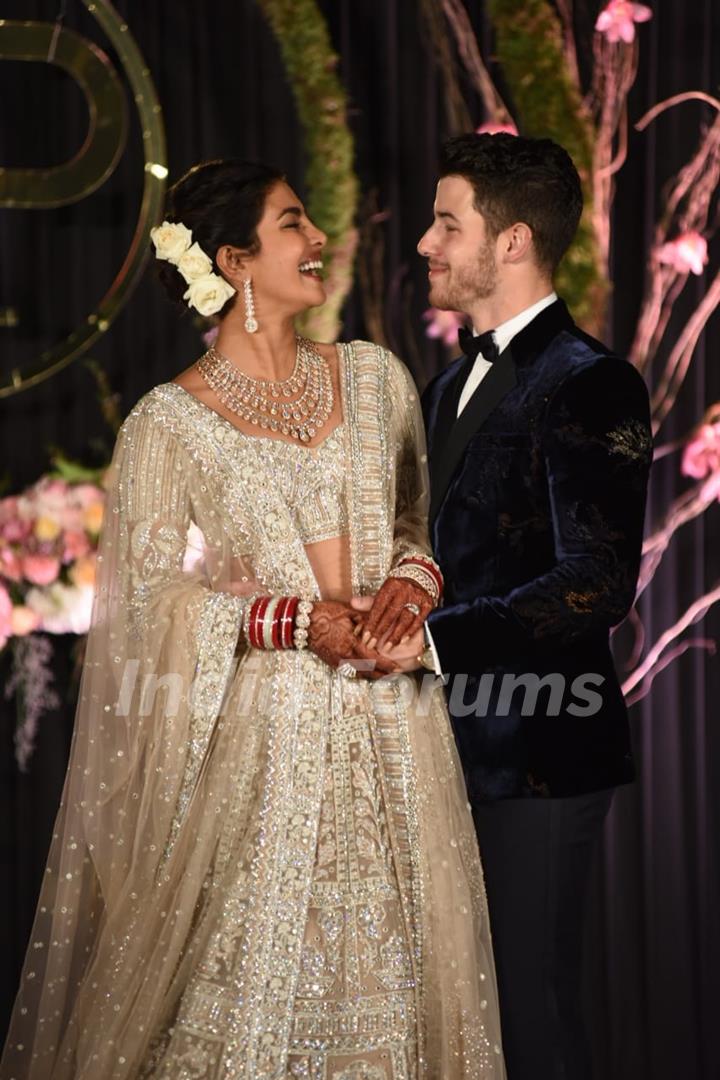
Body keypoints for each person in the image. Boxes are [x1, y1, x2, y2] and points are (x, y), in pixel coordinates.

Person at [1, 160, 505, 1079]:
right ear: (237, 261)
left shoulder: (375, 377)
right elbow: (145, 607)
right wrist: (287, 620)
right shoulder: (168, 423)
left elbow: (414, 527)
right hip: (266, 752)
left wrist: (414, 586)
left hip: (395, 730)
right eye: (293, 224)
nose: (318, 242)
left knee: (400, 994)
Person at [413, 133, 652, 1079]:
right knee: (458, 1014)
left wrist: (429, 645)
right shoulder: (445, 385)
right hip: (445, 751)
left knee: (529, 1010)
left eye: (447, 223)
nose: (427, 245)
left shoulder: (591, 380)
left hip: (542, 758)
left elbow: (596, 582)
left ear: (511, 242)